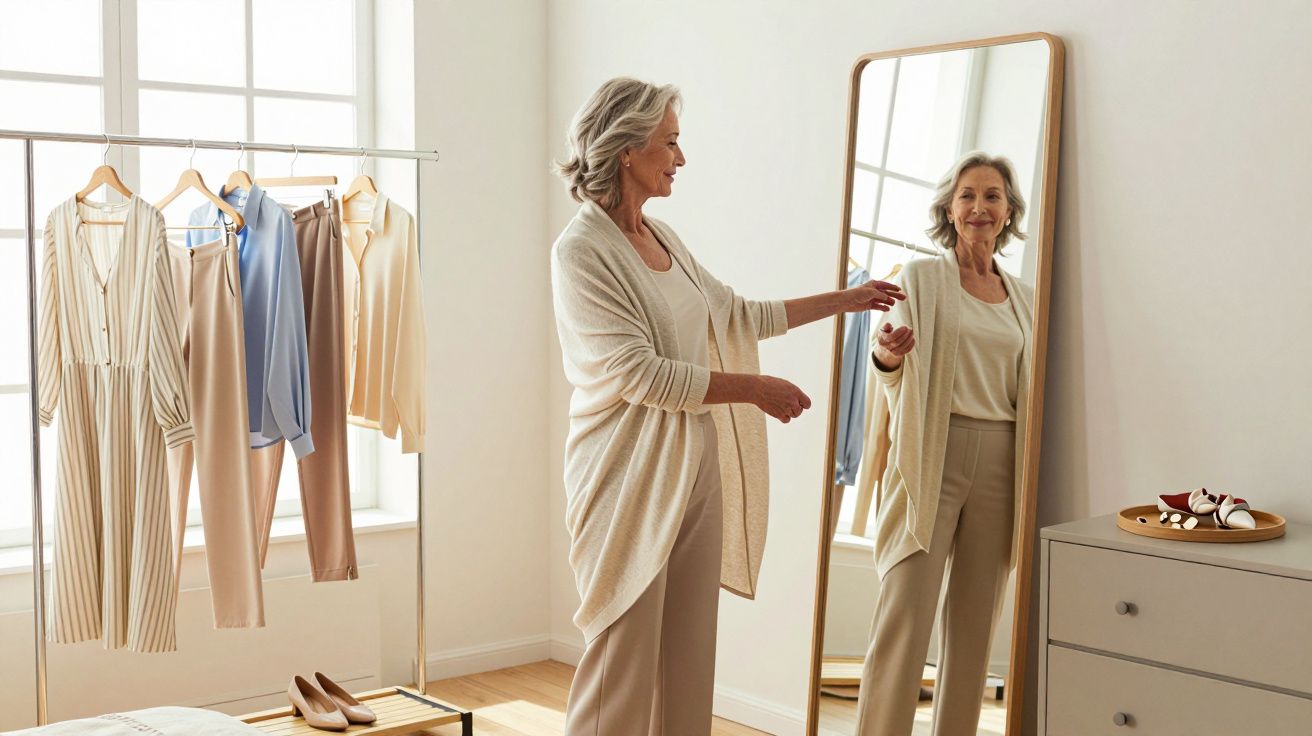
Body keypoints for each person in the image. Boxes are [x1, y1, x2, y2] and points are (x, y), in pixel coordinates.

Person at [550, 77, 904, 735]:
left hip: (696, 463)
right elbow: (638, 375)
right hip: (625, 474)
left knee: (689, 649)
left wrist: (844, 302)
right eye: (670, 143)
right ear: (627, 149)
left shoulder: (666, 240)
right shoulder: (581, 251)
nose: (680, 159)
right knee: (621, 658)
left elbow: (737, 314)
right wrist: (754, 390)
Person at [856, 151, 1035, 736]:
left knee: (975, 625)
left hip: (1005, 460)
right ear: (949, 209)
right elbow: (888, 366)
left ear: (1008, 211)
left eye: (992, 196)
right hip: (933, 450)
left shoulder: (1026, 298)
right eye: (967, 196)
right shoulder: (920, 279)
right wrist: (887, 356)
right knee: (905, 613)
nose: (980, 207)